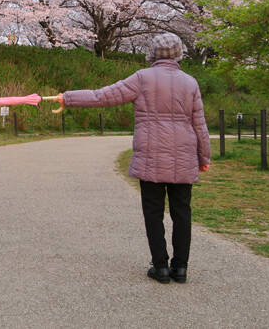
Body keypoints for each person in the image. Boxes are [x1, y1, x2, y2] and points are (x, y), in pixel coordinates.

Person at [52, 33, 210, 284]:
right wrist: (204, 156)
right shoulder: (190, 82)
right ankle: (180, 268)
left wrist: (68, 97)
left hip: (150, 156)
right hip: (183, 156)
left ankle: (160, 267)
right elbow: (199, 123)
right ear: (179, 53)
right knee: (182, 212)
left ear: (152, 54)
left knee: (153, 212)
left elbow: (102, 96)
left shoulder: (142, 78)